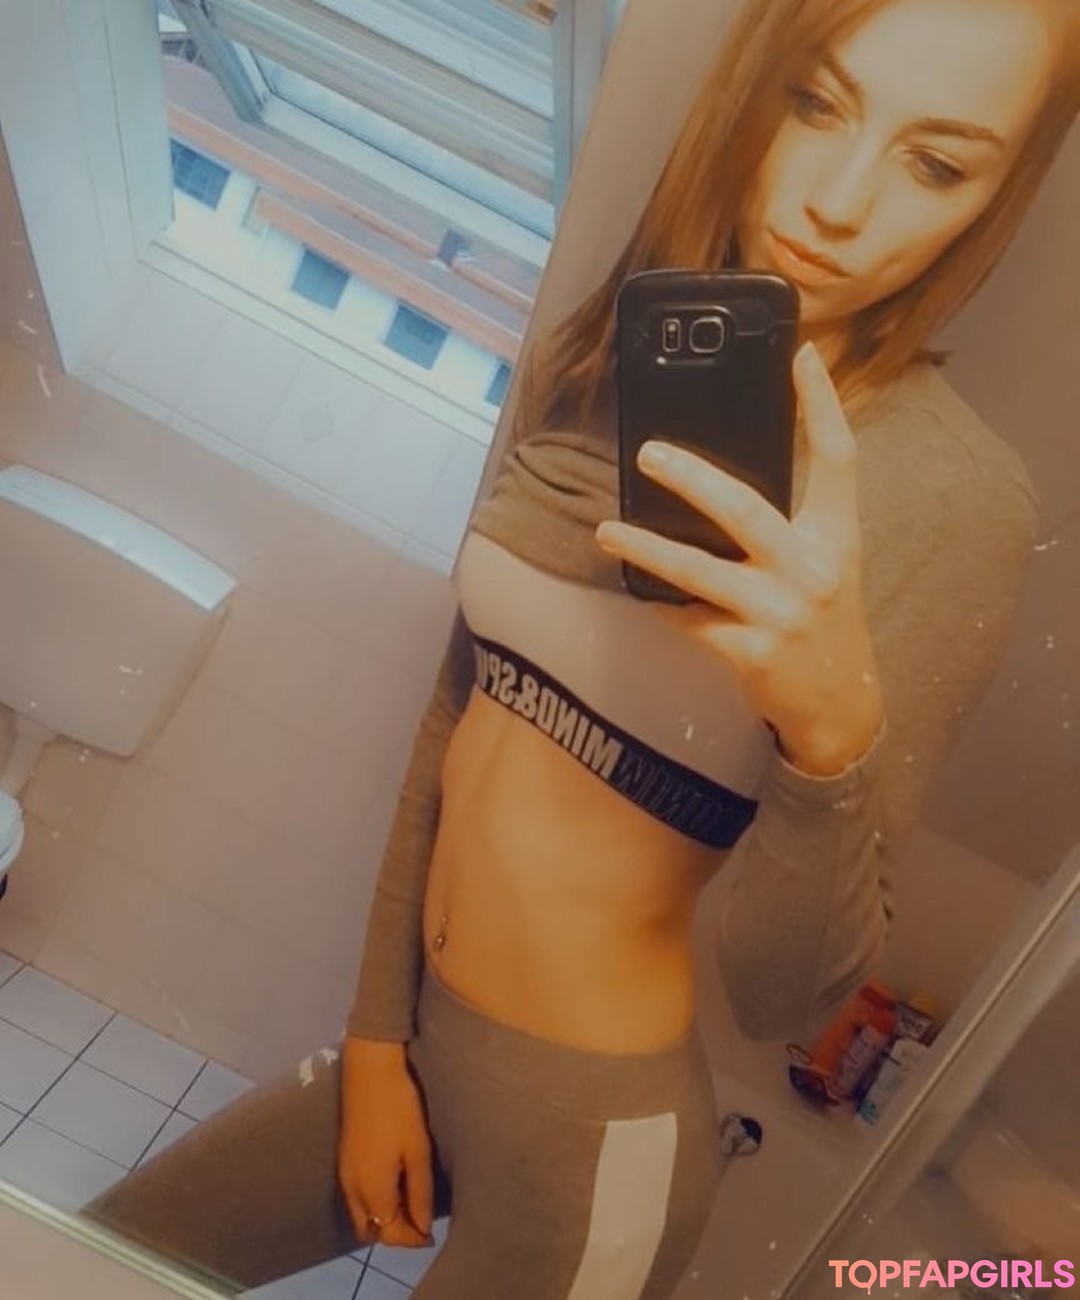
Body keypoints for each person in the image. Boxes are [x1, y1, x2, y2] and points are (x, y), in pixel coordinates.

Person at [82, 1, 1080, 1296]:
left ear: (994, 201)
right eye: (818, 101)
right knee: (94, 1254)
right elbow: (461, 714)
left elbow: (786, 997)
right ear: (754, 91)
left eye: (936, 162)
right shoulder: (624, 342)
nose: (837, 205)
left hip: (594, 1146)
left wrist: (828, 732)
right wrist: (378, 1044)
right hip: (424, 1044)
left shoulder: (955, 501)